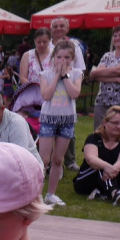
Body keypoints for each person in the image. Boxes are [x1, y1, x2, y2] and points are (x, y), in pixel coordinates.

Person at [38, 40, 83, 207]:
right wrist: (57, 75)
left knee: (58, 159)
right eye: (59, 57)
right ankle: (36, 194)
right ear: (54, 58)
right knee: (44, 159)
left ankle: (51, 193)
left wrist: (65, 77)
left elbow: (74, 93)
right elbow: (46, 95)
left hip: (67, 119)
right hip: (49, 118)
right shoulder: (46, 74)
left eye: (66, 57)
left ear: (72, 59)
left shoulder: (77, 73)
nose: (62, 61)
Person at [73, 105, 120, 204]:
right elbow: (91, 159)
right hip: (87, 179)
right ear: (105, 122)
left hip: (115, 175)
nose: (118, 126)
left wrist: (113, 169)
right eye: (115, 123)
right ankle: (114, 193)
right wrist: (107, 167)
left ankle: (102, 193)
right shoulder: (94, 138)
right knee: (101, 166)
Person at [89, 24, 120, 134]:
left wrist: (101, 73)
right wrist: (118, 80)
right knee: (99, 134)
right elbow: (94, 76)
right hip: (103, 101)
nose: (117, 38)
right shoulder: (107, 56)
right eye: (115, 35)